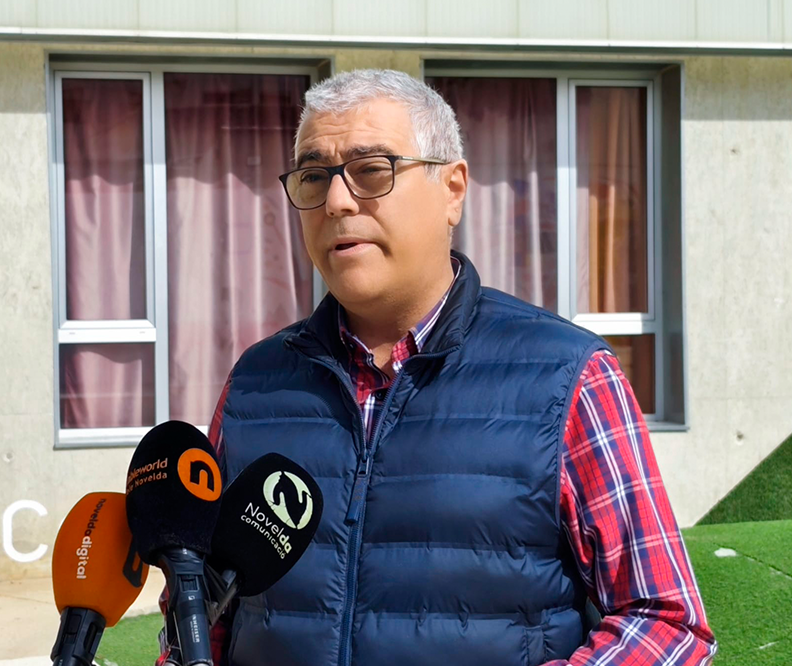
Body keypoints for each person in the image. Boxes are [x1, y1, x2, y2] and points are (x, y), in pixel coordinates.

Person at [159, 69, 716, 666]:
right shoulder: (256, 383)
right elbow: (201, 618)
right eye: (314, 176)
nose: (337, 201)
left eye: (372, 170)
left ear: (452, 190)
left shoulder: (568, 377)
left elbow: (668, 624)